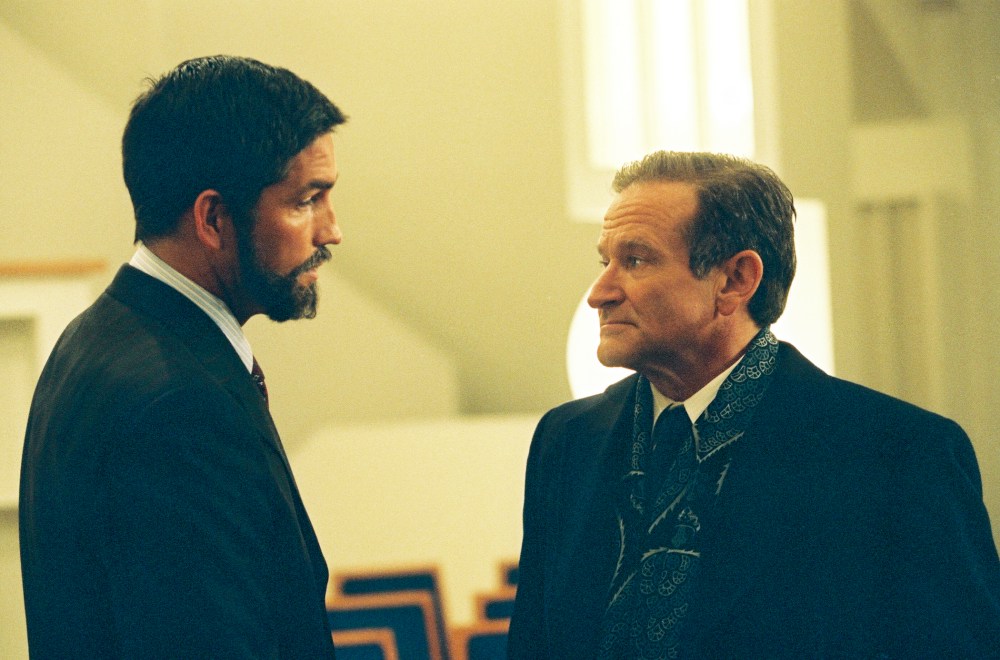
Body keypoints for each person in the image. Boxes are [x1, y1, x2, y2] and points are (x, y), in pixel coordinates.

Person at [508, 151, 1000, 658]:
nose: (599, 292)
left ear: (735, 280)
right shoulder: (566, 441)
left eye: (635, 260)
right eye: (605, 261)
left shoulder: (898, 455)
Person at [19, 55, 346, 658]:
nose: (331, 230)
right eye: (306, 200)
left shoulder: (93, 339)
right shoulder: (180, 405)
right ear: (214, 219)